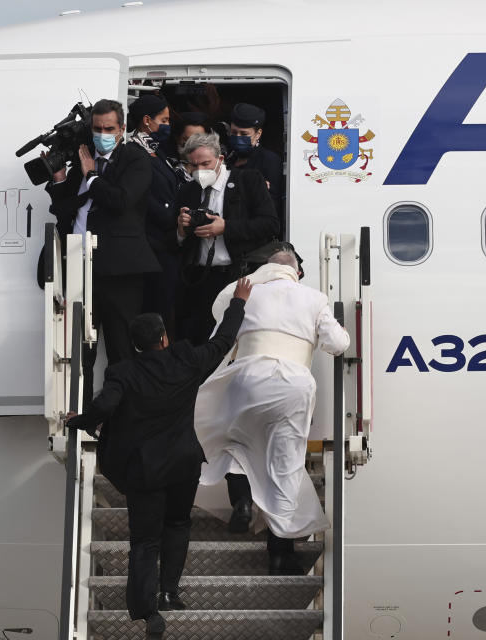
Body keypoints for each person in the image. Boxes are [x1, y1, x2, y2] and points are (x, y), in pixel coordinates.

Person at [67, 278, 253, 639]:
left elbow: (104, 405)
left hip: (145, 470)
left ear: (136, 345)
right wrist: (238, 303)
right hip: (183, 464)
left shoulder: (124, 372)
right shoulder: (186, 361)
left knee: (144, 540)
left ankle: (148, 612)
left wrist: (80, 422)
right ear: (164, 338)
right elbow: (222, 342)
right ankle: (169, 593)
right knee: (178, 525)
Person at [193, 251, 350, 575]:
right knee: (284, 467)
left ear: (268, 267)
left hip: (247, 378)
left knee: (236, 447)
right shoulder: (314, 298)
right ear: (295, 271)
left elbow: (222, 332)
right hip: (292, 386)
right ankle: (280, 556)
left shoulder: (245, 291)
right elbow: (337, 342)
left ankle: (243, 503)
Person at [46, 99, 161, 398]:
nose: (102, 134)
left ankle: (121, 416)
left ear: (122, 129)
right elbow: (63, 210)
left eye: (109, 128)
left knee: (121, 346)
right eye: (97, 128)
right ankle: (81, 413)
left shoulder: (136, 160)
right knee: (79, 351)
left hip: (120, 270)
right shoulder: (83, 157)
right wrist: (60, 179)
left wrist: (91, 176)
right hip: (77, 263)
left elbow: (121, 201)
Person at [174, 131, 278, 344]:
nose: (199, 171)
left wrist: (226, 227)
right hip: (199, 281)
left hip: (238, 277)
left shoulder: (248, 180)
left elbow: (270, 224)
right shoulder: (188, 191)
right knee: (201, 343)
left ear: (220, 159)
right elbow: (174, 240)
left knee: (240, 341)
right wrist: (181, 231)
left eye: (205, 163)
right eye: (193, 166)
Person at [127, 95, 184, 339]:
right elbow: (144, 196)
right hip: (152, 244)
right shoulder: (132, 151)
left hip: (166, 243)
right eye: (165, 120)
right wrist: (173, 218)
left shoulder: (155, 151)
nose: (168, 125)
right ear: (147, 121)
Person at [227, 103, 285, 233]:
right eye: (234, 132)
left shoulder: (269, 160)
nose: (237, 137)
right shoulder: (228, 159)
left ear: (258, 134)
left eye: (244, 134)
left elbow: (271, 207)